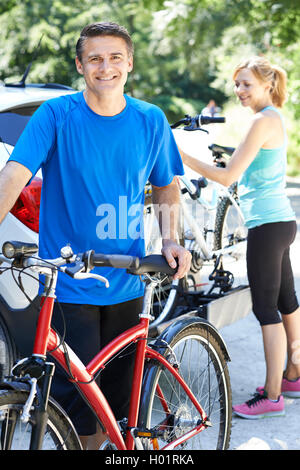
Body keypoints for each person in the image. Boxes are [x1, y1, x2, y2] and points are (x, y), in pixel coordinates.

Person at [0, 22, 191, 448]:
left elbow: (165, 182)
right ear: (80, 65)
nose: (106, 67)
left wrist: (170, 239)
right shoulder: (57, 115)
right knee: (77, 411)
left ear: (130, 63)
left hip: (129, 276)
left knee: (115, 412)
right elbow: (14, 174)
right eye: (95, 59)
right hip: (69, 281)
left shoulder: (150, 119)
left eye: (115, 57)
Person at [179, 56, 300, 419]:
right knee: (287, 301)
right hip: (281, 221)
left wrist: (181, 155)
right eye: (236, 84)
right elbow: (244, 165)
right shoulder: (271, 119)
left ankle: (273, 396)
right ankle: (293, 375)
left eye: (246, 84)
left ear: (266, 85)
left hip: (266, 226)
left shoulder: (262, 120)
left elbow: (227, 177)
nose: (239, 91)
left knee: (266, 310)